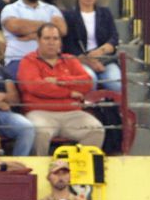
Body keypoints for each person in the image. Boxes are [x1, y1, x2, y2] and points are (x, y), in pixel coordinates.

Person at [16, 22, 104, 155]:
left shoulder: (70, 59)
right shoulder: (28, 61)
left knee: (96, 130)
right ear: (38, 40)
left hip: (73, 114)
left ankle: (73, 167)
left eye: (55, 39)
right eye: (47, 38)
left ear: (60, 42)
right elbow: (36, 87)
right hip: (40, 113)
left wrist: (59, 80)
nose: (51, 42)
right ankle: (41, 172)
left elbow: (87, 82)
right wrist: (69, 92)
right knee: (41, 132)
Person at [63, 0, 120, 92]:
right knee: (89, 81)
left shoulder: (105, 13)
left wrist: (100, 51)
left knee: (116, 83)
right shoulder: (69, 16)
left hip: (105, 60)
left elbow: (114, 38)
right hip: (80, 61)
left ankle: (114, 109)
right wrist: (88, 61)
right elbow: (69, 46)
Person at [0, 0, 65, 68]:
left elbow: (62, 29)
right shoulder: (10, 9)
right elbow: (16, 27)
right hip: (19, 60)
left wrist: (34, 35)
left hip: (49, 61)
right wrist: (47, 28)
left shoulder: (51, 9)